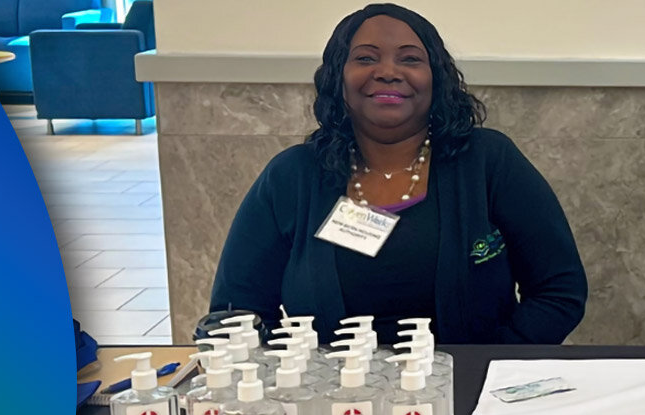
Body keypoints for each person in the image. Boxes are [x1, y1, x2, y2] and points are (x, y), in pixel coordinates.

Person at [209, 3, 587, 346]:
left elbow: (559, 290)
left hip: (470, 394)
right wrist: (298, 379)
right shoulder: (292, 176)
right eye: (365, 58)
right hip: (336, 402)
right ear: (337, 77)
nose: (388, 72)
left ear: (436, 78)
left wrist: (490, 364)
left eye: (409, 60)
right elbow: (237, 310)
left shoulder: (488, 161)